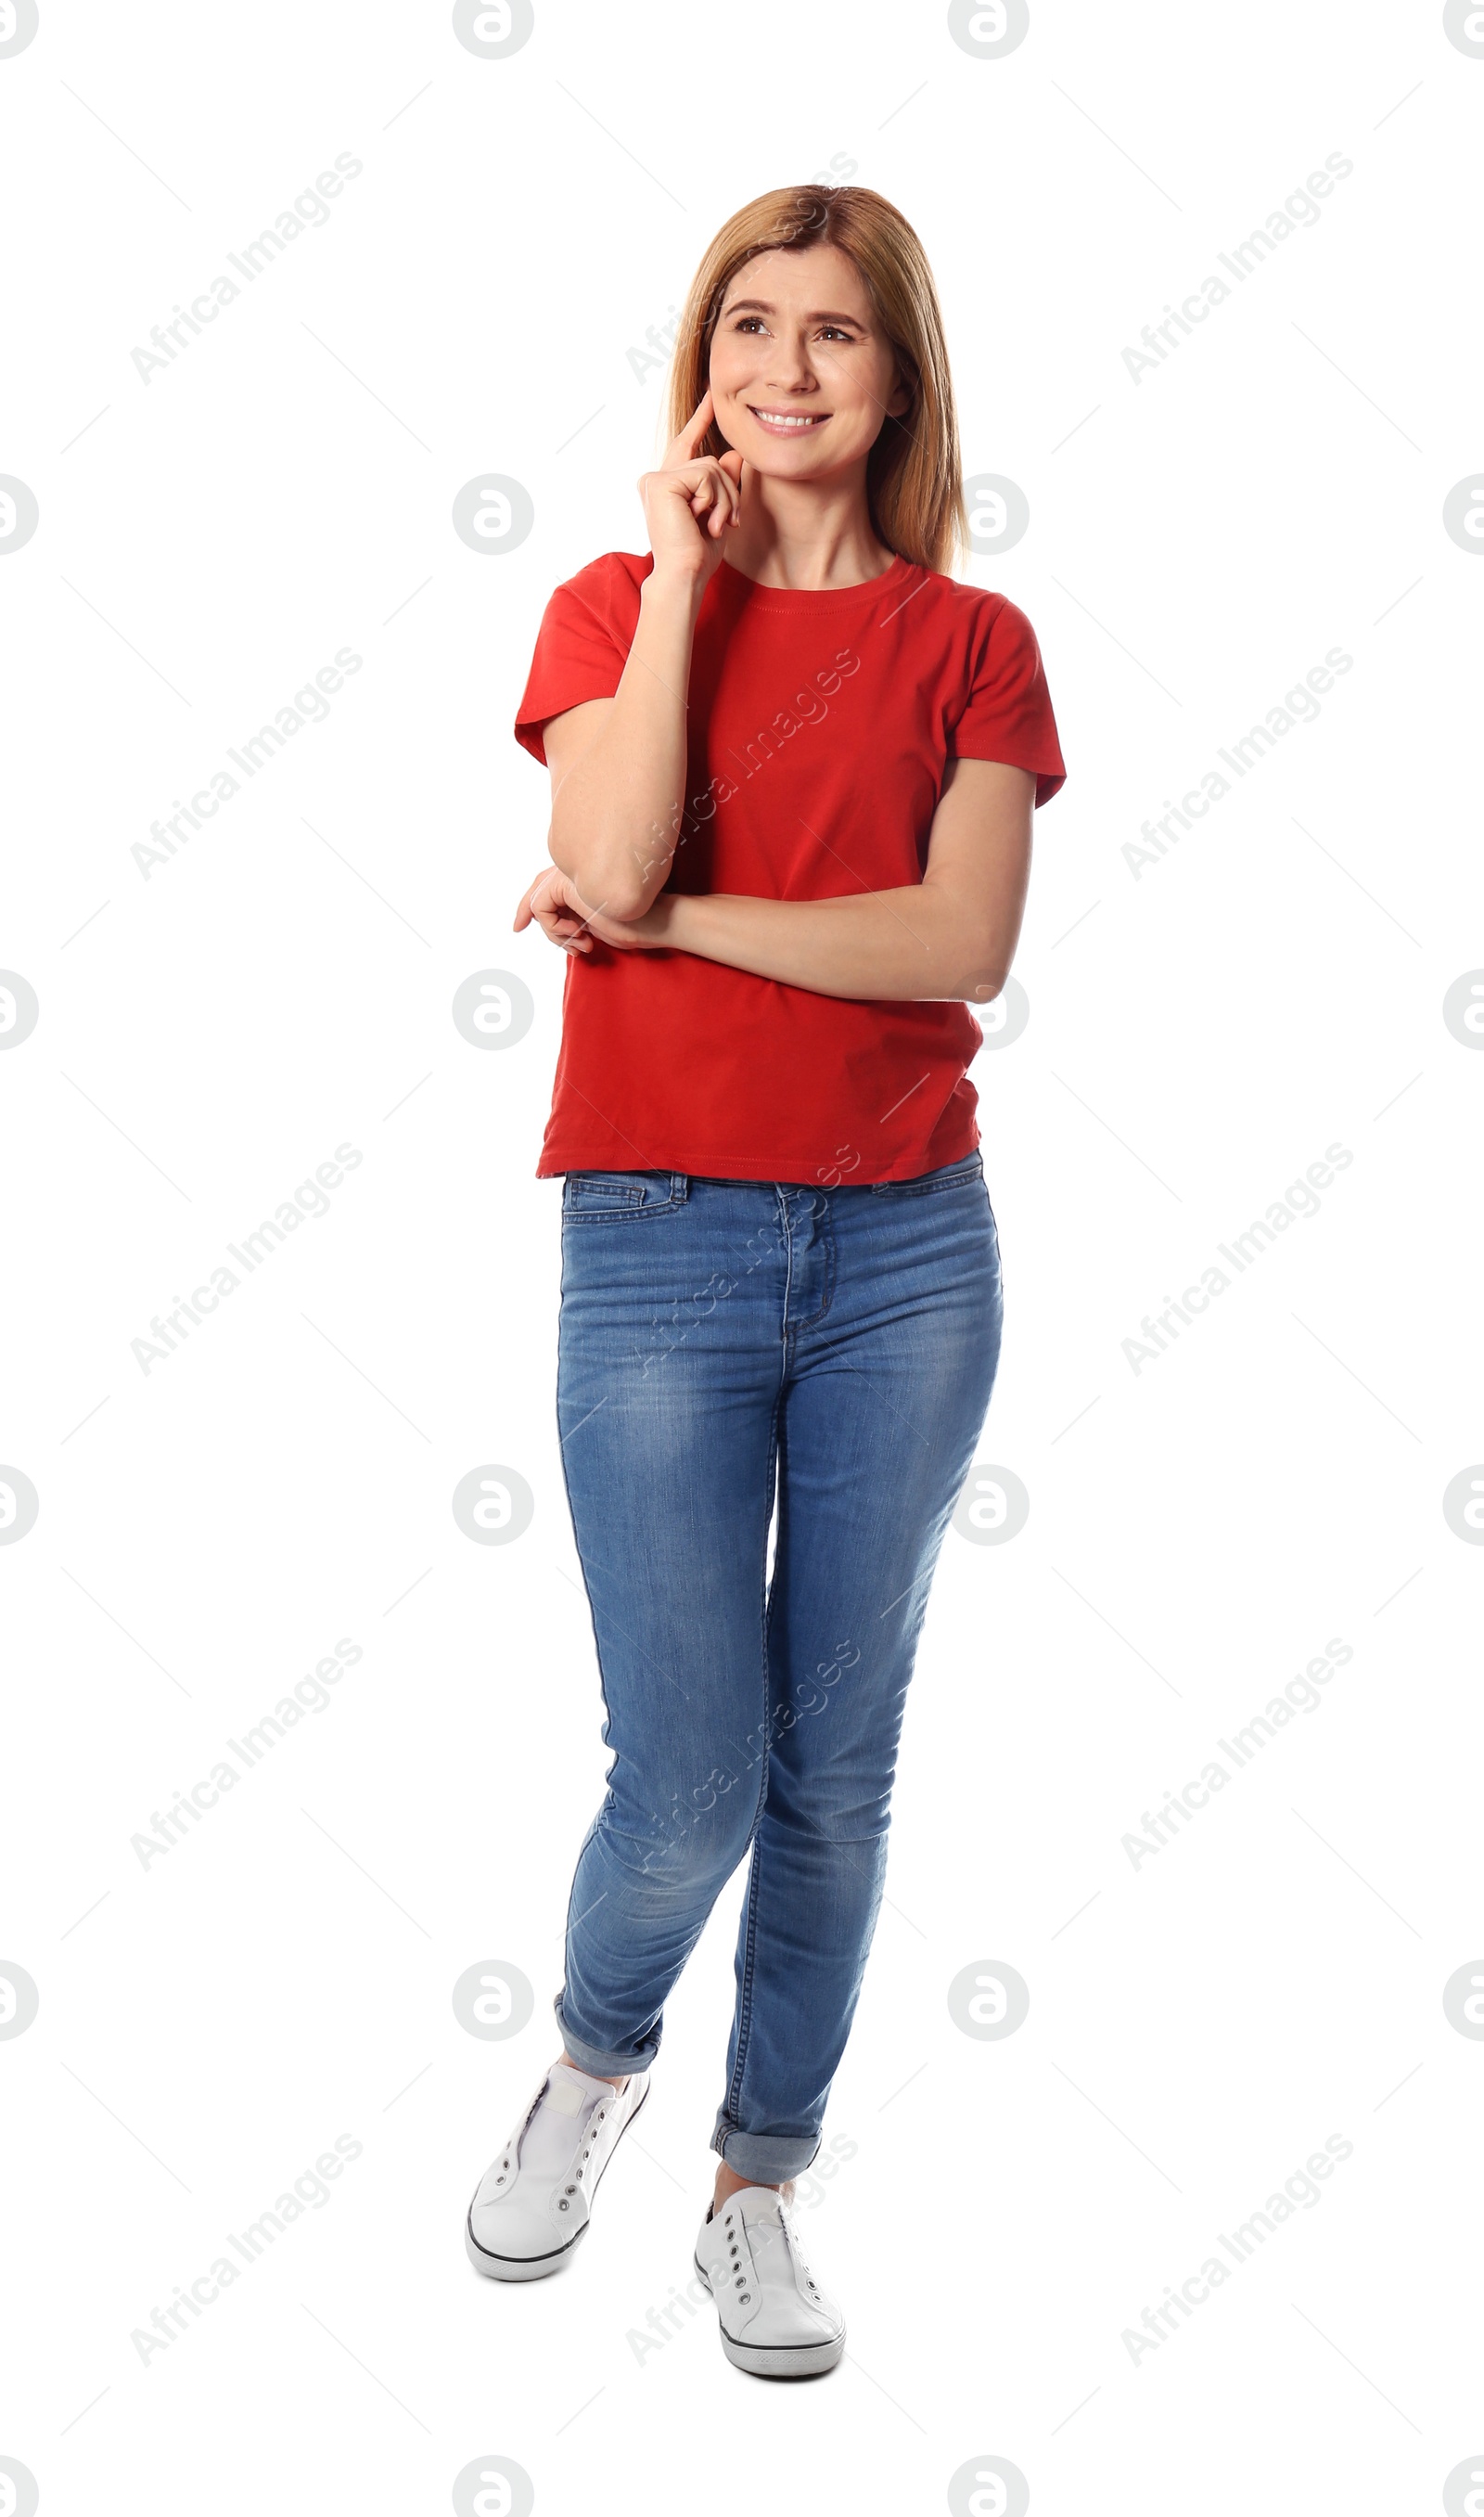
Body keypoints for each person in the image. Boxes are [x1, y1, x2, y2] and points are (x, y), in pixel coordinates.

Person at [464, 182, 1066, 2380]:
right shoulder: (615, 602)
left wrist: (676, 929)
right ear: (700, 360)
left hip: (907, 1245)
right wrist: (690, 580)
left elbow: (952, 946)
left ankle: (760, 2179)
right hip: (653, 1240)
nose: (783, 372)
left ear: (897, 372)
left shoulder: (970, 643)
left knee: (839, 1759)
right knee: (691, 1766)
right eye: (746, 326)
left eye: (831, 334)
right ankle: (597, 2054)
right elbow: (603, 849)